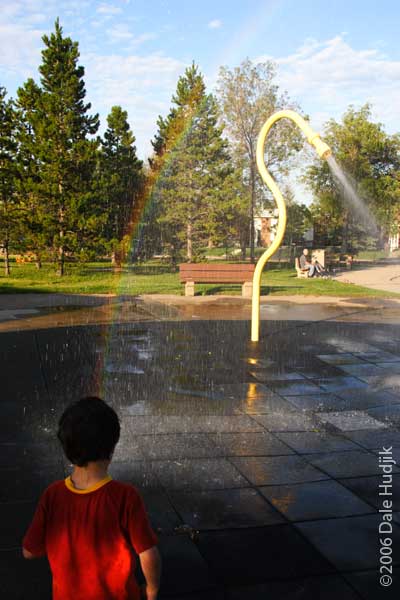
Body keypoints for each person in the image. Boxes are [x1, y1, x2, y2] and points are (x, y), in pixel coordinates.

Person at [22, 396, 161, 600]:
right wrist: (152, 589)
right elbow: (148, 553)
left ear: (67, 448)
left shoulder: (52, 495)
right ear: (112, 448)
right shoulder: (125, 497)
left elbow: (29, 551)